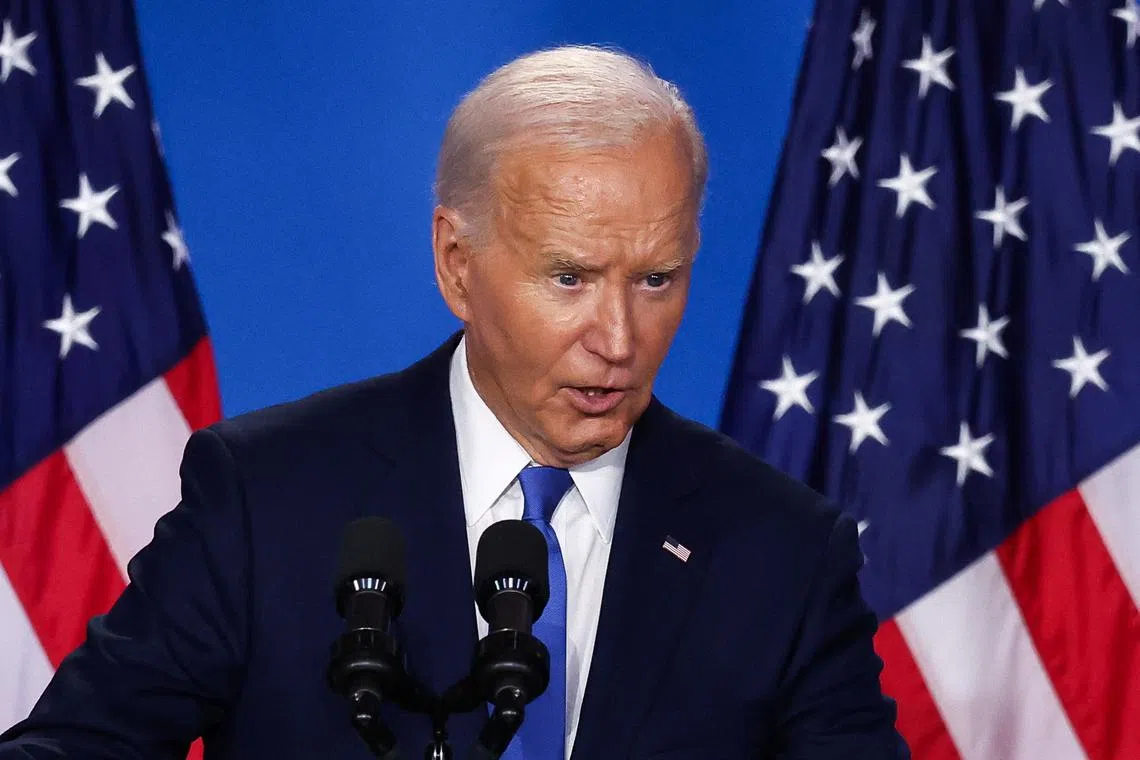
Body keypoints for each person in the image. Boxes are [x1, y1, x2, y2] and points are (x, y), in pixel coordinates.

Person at [0, 45, 908, 759]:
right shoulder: (268, 496)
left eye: (657, 279)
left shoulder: (780, 549)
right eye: (569, 276)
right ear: (457, 264)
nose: (621, 339)